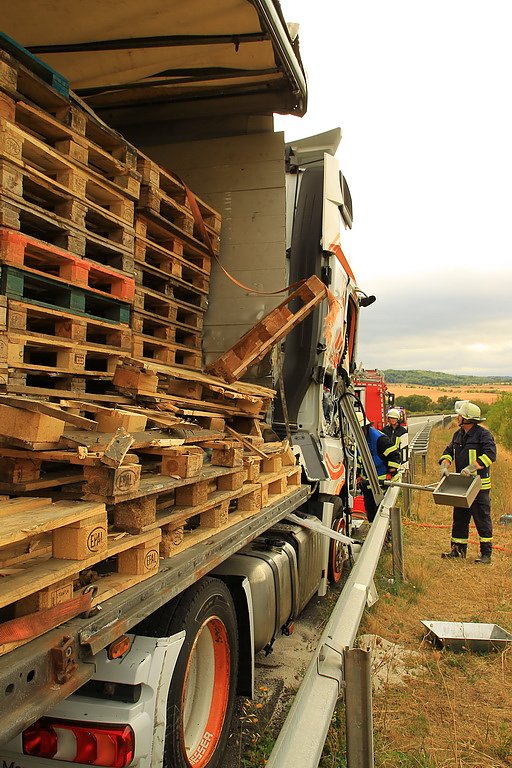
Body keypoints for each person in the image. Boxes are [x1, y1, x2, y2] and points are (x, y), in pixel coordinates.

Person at [439, 401, 496, 563]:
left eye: (460, 415)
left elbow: (490, 455)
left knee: (482, 520)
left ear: (467, 419)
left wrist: (471, 468)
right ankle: (457, 551)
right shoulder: (458, 434)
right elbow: (449, 451)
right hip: (462, 485)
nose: (457, 417)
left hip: (479, 487)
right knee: (460, 519)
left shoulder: (484, 435)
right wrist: (444, 465)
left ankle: (486, 555)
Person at [356, 410, 401, 523]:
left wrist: (390, 473)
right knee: (370, 512)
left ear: (365, 427)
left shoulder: (380, 439)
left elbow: (394, 456)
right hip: (367, 483)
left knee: (382, 513)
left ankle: (387, 534)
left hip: (382, 483)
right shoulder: (358, 440)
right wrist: (357, 475)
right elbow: (358, 459)